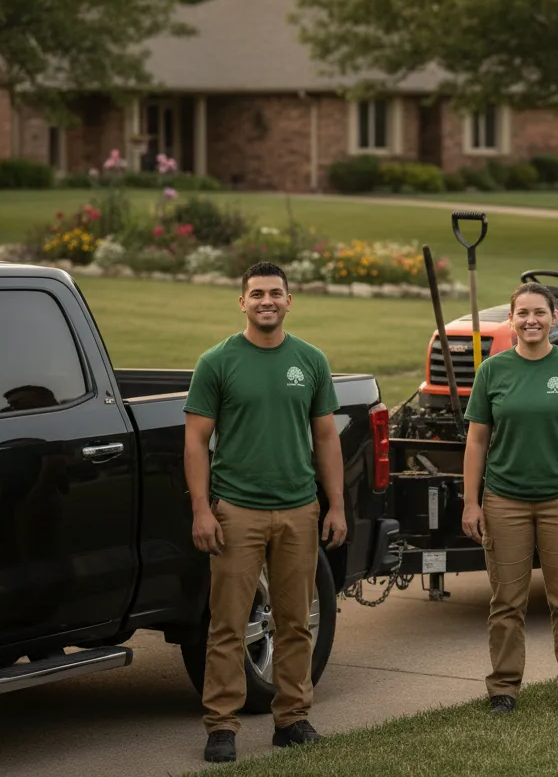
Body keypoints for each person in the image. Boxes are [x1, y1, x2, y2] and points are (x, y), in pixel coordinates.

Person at [184, 260, 348, 763]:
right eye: (256, 294)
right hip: (237, 511)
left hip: (299, 510)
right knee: (227, 625)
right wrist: (202, 511)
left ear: (289, 300)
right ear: (242, 302)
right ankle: (222, 727)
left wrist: (336, 504)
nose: (266, 302)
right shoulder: (217, 362)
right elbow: (195, 439)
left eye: (275, 293)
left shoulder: (311, 360)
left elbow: (325, 437)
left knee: (296, 622)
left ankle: (293, 720)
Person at [461, 282, 558, 716]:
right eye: (522, 313)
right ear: (511, 319)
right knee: (507, 601)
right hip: (504, 501)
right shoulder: (493, 371)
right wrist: (472, 502)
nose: (531, 320)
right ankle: (504, 689)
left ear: (555, 318)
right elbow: (476, 442)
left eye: (540, 313)